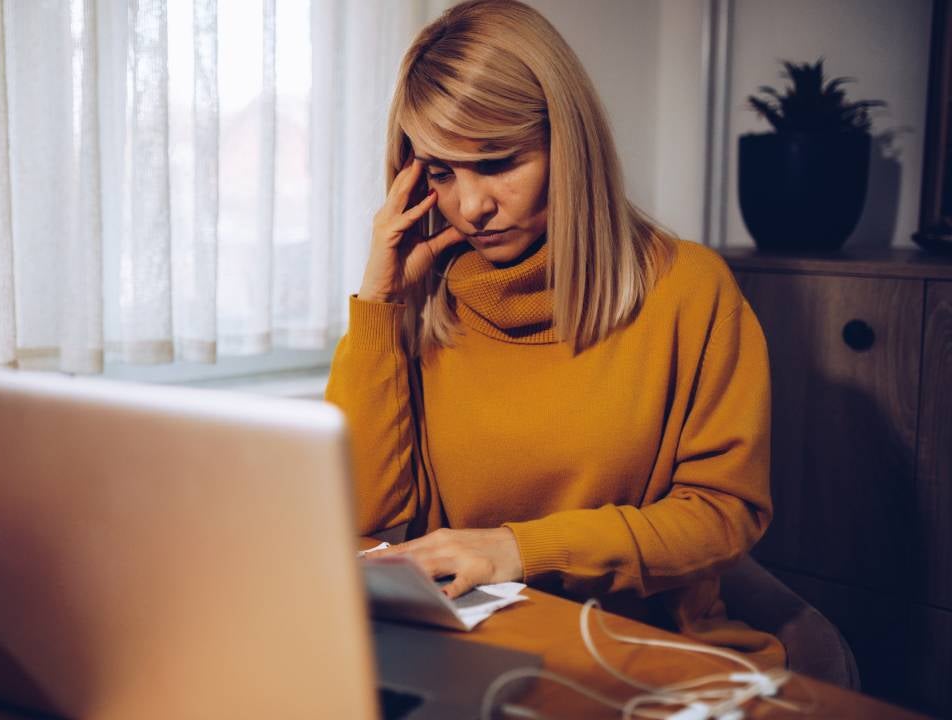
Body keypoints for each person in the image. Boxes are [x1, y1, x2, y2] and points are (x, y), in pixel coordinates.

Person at [325, 0, 784, 666]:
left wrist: (518, 549)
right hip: (466, 645)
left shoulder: (688, 289)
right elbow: (362, 508)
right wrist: (381, 301)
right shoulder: (430, 299)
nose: (472, 206)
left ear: (568, 144)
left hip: (640, 651)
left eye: (498, 162)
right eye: (442, 173)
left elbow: (724, 516)